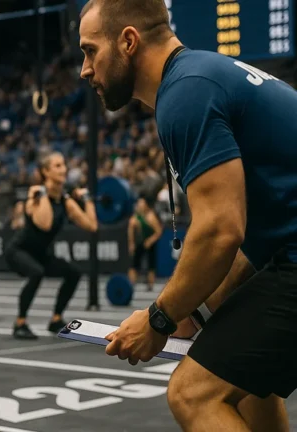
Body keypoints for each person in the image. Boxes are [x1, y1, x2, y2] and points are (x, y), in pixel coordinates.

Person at [79, 1, 297, 430]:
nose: (85, 69)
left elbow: (220, 231)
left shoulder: (185, 94)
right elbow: (254, 240)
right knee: (247, 386)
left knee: (193, 393)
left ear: (128, 41)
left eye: (89, 51)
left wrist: (158, 318)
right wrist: (191, 313)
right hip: (286, 251)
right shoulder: (204, 75)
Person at [3, 152, 98, 340]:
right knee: (36, 272)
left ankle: (56, 319)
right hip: (18, 250)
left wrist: (86, 198)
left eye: (63, 165)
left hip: (41, 253)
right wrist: (45, 193)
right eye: (57, 166)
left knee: (73, 273)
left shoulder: (65, 201)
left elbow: (91, 226)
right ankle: (20, 323)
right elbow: (45, 223)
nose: (63, 169)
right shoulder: (35, 198)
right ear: (46, 172)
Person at [127, 196, 163, 291]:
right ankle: (131, 285)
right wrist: (131, 243)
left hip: (150, 243)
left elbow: (158, 231)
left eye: (141, 203)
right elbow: (131, 228)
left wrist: (150, 240)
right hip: (140, 242)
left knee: (151, 265)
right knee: (134, 264)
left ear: (146, 205)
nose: (139, 205)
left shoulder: (150, 217)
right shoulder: (136, 216)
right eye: (138, 203)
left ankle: (150, 285)